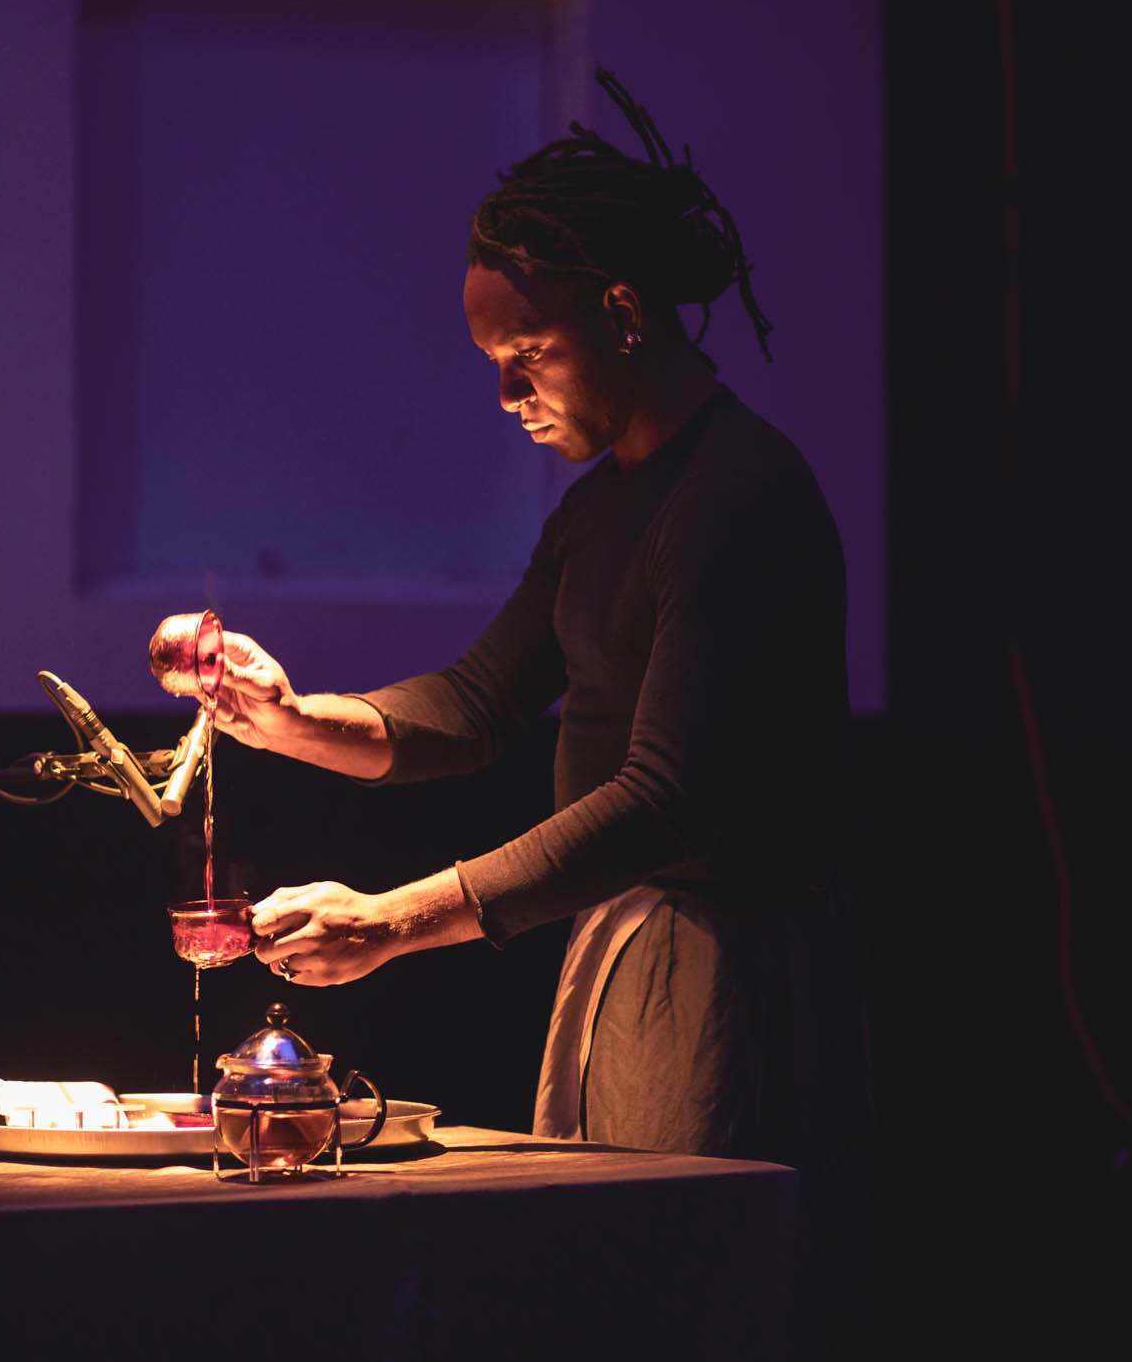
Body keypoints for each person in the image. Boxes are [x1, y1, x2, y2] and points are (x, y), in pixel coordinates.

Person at [216, 69, 869, 1353]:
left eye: (527, 354)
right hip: (623, 948)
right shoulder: (600, 503)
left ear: (622, 314)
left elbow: (661, 797)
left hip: (727, 966)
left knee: (686, 1309)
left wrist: (396, 918)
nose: (508, 393)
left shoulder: (734, 498)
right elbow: (473, 704)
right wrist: (286, 717)